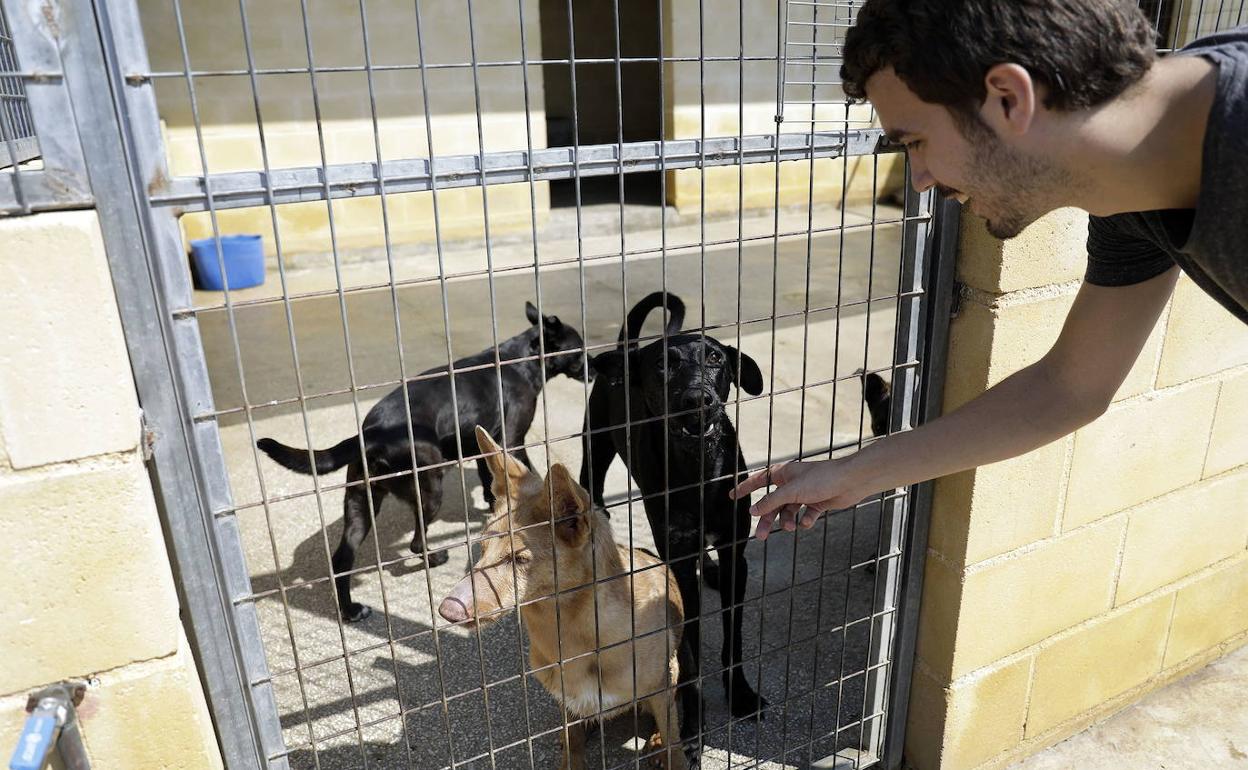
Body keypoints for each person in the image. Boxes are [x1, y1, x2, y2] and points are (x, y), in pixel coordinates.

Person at [732, 0, 1247, 539]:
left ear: (1009, 97)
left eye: (916, 142)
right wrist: (855, 474)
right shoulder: (1130, 191)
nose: (921, 178)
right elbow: (1070, 386)